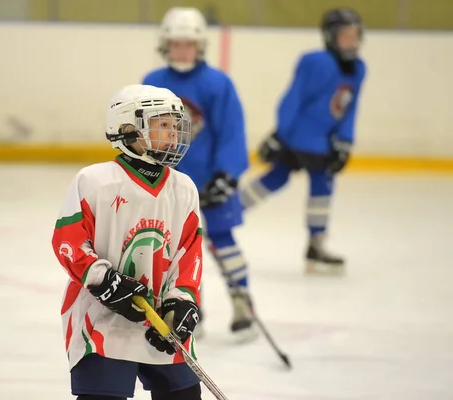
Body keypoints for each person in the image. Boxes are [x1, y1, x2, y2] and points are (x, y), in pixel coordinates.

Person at [52, 84, 204, 400]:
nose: (173, 134)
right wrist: (104, 280)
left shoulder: (184, 188)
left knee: (184, 394)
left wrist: (183, 298)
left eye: (175, 126)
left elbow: (189, 252)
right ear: (128, 130)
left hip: (160, 320)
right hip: (103, 321)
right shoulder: (94, 182)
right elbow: (68, 242)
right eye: (163, 125)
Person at [142, 7, 255, 337]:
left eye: (188, 44)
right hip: (168, 183)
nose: (182, 51)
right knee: (175, 247)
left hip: (211, 179)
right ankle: (189, 306)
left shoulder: (218, 83)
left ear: (200, 46)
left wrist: (227, 174)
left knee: (223, 239)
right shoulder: (153, 83)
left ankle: (242, 302)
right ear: (166, 45)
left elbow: (232, 131)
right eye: (176, 44)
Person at [239, 8, 367, 275]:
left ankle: (227, 213)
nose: (352, 42)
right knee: (321, 182)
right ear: (331, 37)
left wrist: (344, 141)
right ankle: (316, 244)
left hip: (321, 139)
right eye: (345, 36)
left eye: (355, 36)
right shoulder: (317, 62)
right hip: (304, 136)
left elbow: (349, 109)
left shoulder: (358, 69)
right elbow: (293, 98)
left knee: (278, 177)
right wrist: (280, 132)